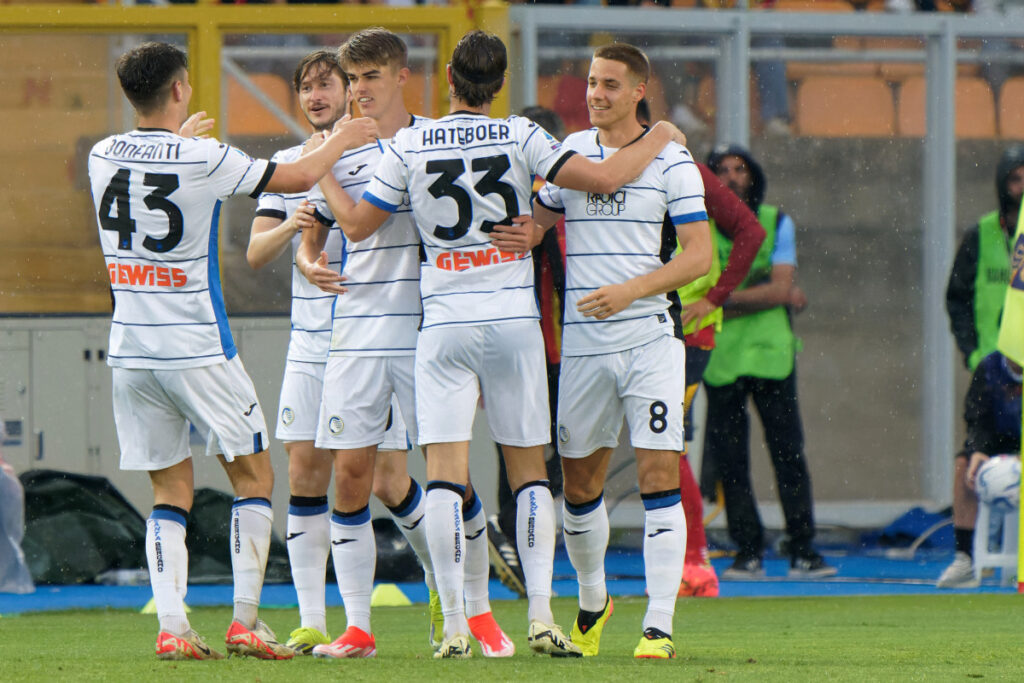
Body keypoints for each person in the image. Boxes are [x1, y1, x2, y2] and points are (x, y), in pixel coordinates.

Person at [303, 29, 686, 660]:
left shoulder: (411, 143)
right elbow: (604, 177)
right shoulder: (522, 134)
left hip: (444, 322)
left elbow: (358, 226)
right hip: (513, 320)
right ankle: (540, 616)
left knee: (445, 479)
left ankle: (456, 623)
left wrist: (324, 169)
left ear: (448, 78)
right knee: (529, 473)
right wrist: (661, 133)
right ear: (502, 83)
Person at [88, 41, 376, 661]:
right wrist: (345, 138)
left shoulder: (101, 154)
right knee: (254, 476)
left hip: (131, 351)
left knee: (170, 490)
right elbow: (295, 177)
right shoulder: (204, 156)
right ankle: (244, 621)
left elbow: (158, 177)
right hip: (197, 347)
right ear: (180, 88)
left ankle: (172, 627)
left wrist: (179, 145)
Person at [518, 42, 711, 660]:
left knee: (659, 475)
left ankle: (658, 626)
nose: (596, 94)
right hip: (582, 347)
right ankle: (594, 599)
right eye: (592, 83)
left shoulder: (673, 160)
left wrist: (631, 289)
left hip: (650, 338)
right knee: (579, 487)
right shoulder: (571, 154)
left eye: (609, 84)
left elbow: (700, 256)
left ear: (638, 92)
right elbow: (534, 226)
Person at [246, 44, 434, 657]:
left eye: (329, 84)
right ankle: (312, 621)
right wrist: (296, 235)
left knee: (383, 480)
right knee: (305, 472)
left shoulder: (388, 150)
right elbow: (258, 253)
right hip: (312, 338)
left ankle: (443, 583)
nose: (318, 96)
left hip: (376, 335)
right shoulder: (289, 163)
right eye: (308, 87)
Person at [635, 98, 767, 598]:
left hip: (686, 331)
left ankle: (696, 562)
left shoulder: (678, 162)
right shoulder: (604, 164)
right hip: (639, 323)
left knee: (669, 449)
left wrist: (714, 296)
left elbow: (750, 230)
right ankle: (686, 560)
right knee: (657, 447)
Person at [701, 144, 836, 580]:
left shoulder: (777, 221)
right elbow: (776, 292)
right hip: (721, 356)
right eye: (722, 170)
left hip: (771, 354)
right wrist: (765, 294)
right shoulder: (699, 224)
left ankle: (803, 548)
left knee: (788, 453)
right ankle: (748, 550)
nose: (731, 177)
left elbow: (778, 289)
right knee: (731, 460)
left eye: (740, 169)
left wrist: (720, 300)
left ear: (753, 176)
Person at [938, 145, 1024, 586]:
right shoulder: (982, 234)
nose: (1021, 188)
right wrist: (972, 351)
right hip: (993, 366)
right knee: (966, 459)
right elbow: (957, 297)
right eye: (1015, 179)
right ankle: (965, 556)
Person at [936, 351, 1023, 587]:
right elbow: (977, 416)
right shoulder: (990, 367)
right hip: (1002, 443)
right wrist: (978, 449)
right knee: (965, 465)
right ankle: (965, 558)